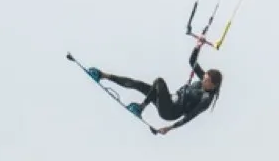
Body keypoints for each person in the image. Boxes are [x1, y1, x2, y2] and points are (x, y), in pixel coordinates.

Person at [86, 38, 223, 135]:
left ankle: (140, 108)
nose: (203, 80)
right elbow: (192, 61)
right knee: (138, 85)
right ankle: (102, 75)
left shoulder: (206, 99)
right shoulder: (204, 80)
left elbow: (189, 117)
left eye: (206, 80)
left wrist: (169, 128)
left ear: (213, 85)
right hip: (168, 100)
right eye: (203, 77)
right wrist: (198, 46)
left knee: (159, 81)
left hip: (170, 111)